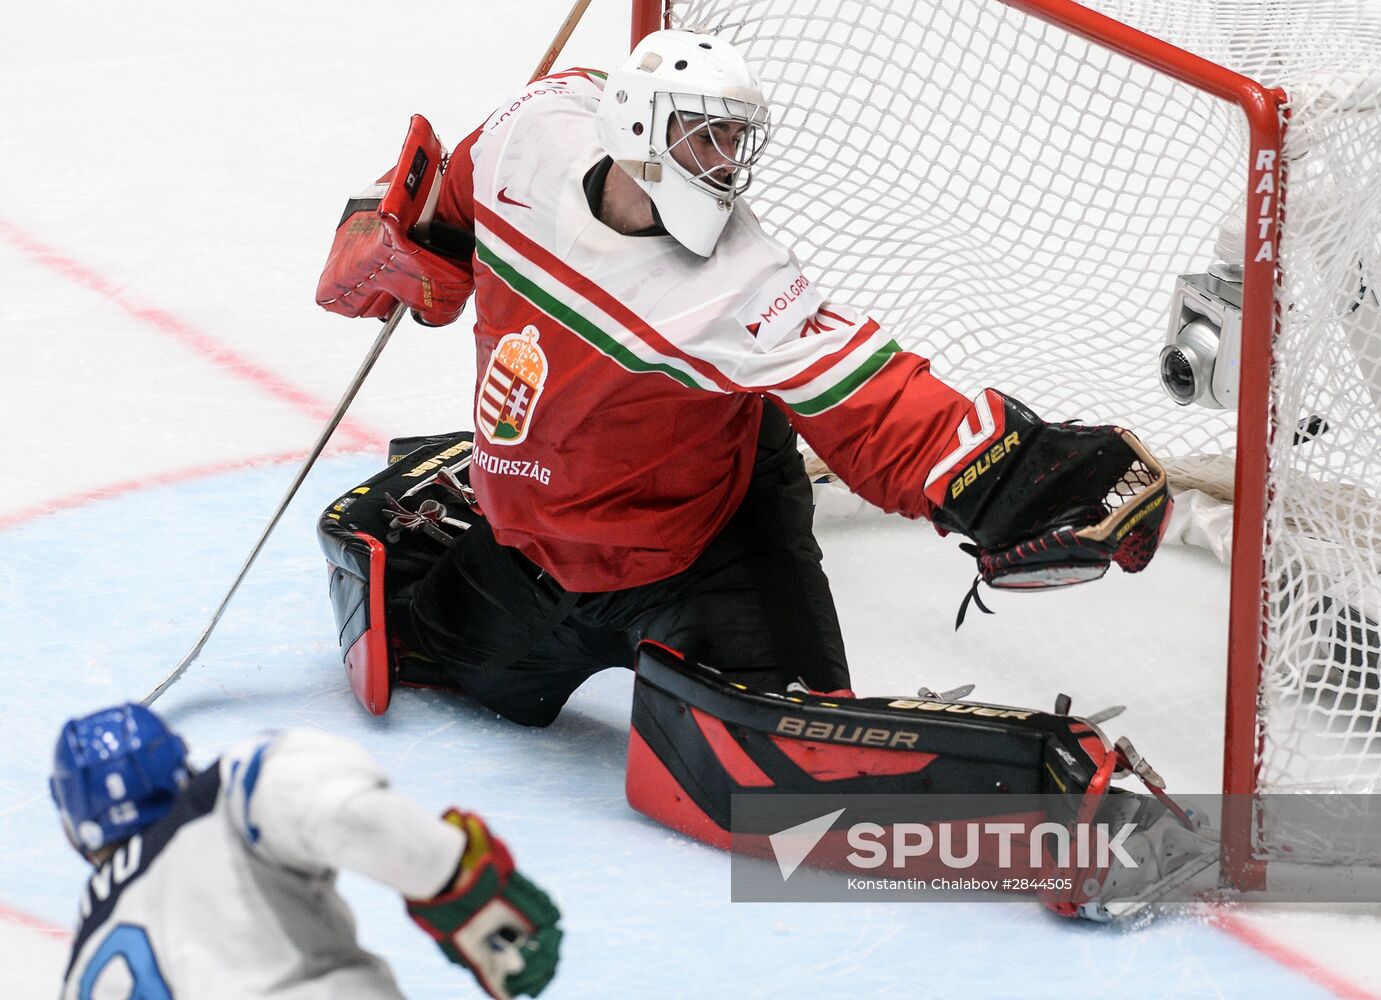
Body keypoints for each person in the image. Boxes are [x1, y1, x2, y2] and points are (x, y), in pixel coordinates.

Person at [314, 30, 1198, 921]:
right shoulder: (533, 128)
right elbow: (458, 187)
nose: (726, 162)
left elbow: (879, 405)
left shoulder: (738, 283)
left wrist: (1025, 481)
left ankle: (1070, 815)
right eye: (704, 136)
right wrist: (414, 237)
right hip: (538, 547)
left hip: (705, 548)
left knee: (790, 787)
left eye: (735, 139)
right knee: (424, 651)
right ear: (634, 127)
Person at [51, 702, 561, 999]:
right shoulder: (223, 797)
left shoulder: (84, 962)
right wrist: (458, 883)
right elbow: (350, 815)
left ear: (77, 830)